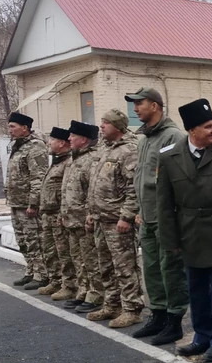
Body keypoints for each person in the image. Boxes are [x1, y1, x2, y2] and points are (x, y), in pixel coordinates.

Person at [157, 98, 212, 363]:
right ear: (192, 130)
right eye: (208, 126)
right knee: (196, 291)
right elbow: (164, 203)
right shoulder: (169, 156)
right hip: (189, 233)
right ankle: (201, 337)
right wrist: (170, 240)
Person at [126, 87, 190, 346]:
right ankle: (159, 315)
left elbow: (178, 181)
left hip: (166, 218)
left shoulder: (172, 136)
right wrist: (140, 211)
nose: (135, 108)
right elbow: (142, 179)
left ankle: (174, 321)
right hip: (148, 217)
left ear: (155, 106)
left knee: (171, 270)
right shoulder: (145, 140)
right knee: (152, 269)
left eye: (139, 103)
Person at [86, 109, 143, 329]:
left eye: (105, 123)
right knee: (106, 265)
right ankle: (112, 304)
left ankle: (131, 308)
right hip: (102, 218)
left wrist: (127, 216)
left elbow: (133, 188)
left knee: (125, 266)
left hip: (118, 221)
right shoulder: (106, 149)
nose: (101, 126)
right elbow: (96, 185)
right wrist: (91, 213)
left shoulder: (129, 150)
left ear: (118, 127)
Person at [60, 121, 104, 311]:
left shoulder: (92, 159)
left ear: (83, 139)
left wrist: (89, 215)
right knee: (79, 261)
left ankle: (96, 296)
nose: (68, 138)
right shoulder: (74, 158)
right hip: (72, 219)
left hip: (84, 220)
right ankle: (84, 291)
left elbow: (93, 191)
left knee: (92, 261)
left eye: (72, 136)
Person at [6, 112, 50, 290]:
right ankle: (31, 270)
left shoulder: (35, 146)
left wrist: (34, 203)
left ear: (25, 128)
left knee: (34, 240)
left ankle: (42, 274)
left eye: (13, 126)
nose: (10, 130)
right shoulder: (18, 146)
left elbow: (38, 177)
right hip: (16, 202)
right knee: (23, 240)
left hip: (27, 204)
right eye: (9, 126)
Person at [37, 127, 75, 299]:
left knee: (63, 252)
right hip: (48, 214)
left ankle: (69, 285)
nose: (48, 143)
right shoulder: (57, 161)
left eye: (52, 140)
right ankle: (55, 280)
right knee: (50, 250)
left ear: (61, 143)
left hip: (58, 214)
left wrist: (63, 214)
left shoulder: (68, 162)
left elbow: (66, 191)